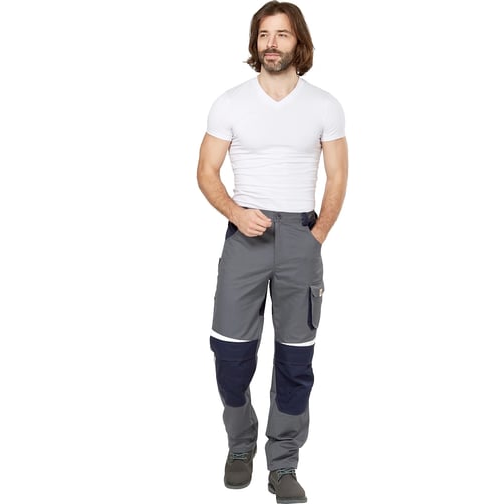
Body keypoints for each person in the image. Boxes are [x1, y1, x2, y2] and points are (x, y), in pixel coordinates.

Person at [196, 2, 348, 502]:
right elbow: (206, 172)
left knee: (295, 359)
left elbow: (338, 177)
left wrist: (316, 235)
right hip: (245, 237)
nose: (272, 43)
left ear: (297, 41)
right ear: (255, 42)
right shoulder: (230, 103)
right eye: (264, 34)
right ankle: (240, 444)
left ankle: (282, 463)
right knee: (230, 352)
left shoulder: (324, 105)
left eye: (282, 34)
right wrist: (237, 213)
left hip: (301, 236)